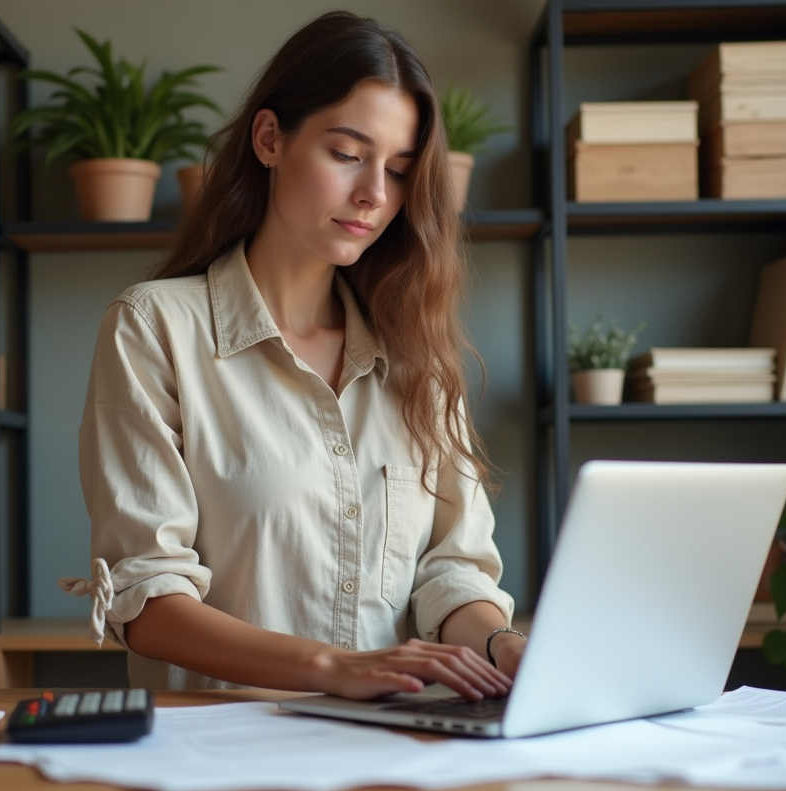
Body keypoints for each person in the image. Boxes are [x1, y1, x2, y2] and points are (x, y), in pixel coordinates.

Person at [62, 10, 525, 701]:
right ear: (271, 138)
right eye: (347, 154)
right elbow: (148, 599)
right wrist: (333, 668)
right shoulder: (153, 327)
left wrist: (504, 647)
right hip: (218, 755)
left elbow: (451, 573)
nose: (374, 193)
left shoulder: (416, 356)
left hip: (394, 748)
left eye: (399, 171)